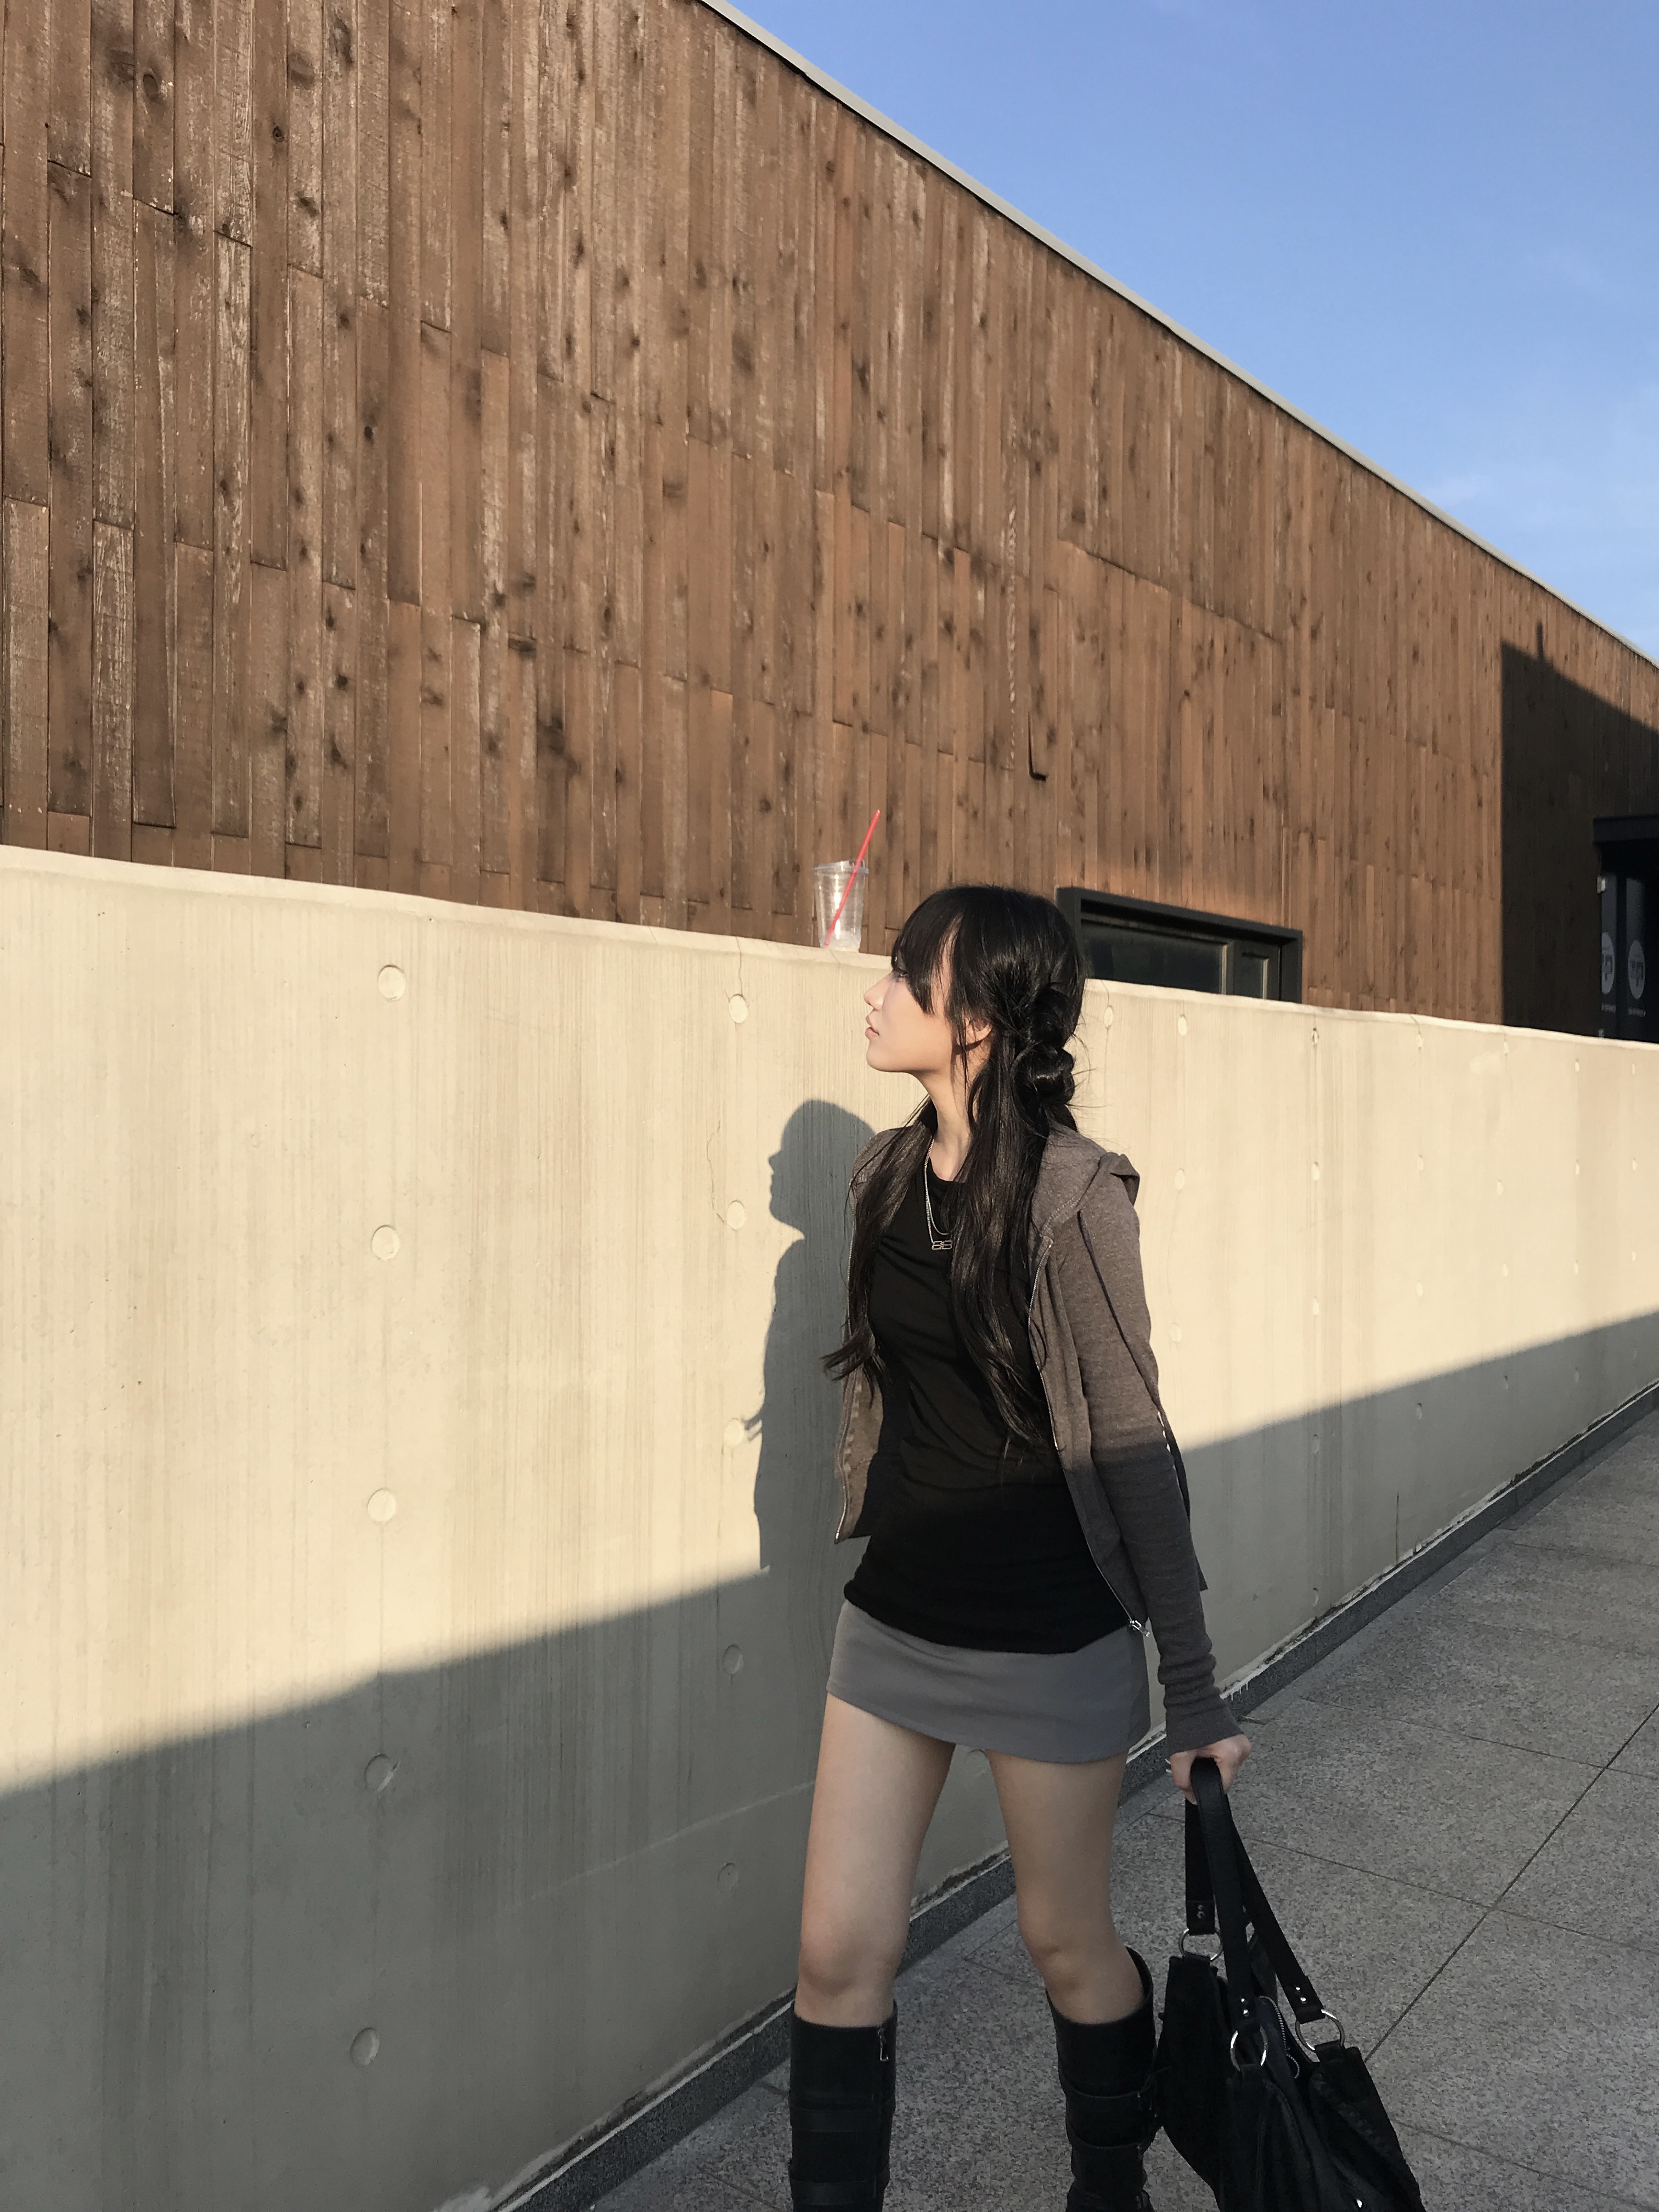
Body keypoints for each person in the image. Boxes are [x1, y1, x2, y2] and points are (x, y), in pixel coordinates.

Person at [786, 884, 1251, 2212]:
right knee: (834, 1956)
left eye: (904, 974)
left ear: (977, 1018)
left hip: (1050, 1634)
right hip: (895, 1622)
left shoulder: (1074, 1196)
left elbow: (1134, 1441)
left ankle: (1110, 2187)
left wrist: (1197, 1693)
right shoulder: (884, 1179)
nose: (876, 994)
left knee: (1065, 1942)